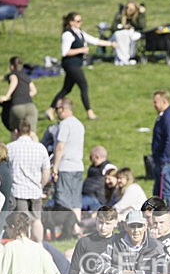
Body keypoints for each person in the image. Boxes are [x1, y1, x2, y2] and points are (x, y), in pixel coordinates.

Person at [45, 12, 115, 121]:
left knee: (66, 89)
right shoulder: (67, 34)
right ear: (71, 22)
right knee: (84, 86)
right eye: (77, 21)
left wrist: (111, 44)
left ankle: (50, 110)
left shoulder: (79, 32)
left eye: (81, 21)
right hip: (70, 64)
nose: (80, 23)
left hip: (76, 64)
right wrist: (81, 50)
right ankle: (89, 112)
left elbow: (94, 40)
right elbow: (65, 52)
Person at [7, 119, 51, 242]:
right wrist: (40, 185)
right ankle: (39, 245)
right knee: (36, 219)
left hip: (18, 191)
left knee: (22, 221)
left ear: (17, 131)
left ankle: (24, 245)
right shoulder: (40, 148)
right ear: (30, 131)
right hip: (35, 190)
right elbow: (46, 171)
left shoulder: (10, 148)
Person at [50, 97, 85, 235]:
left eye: (57, 109)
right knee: (76, 200)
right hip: (78, 166)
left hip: (66, 166)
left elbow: (60, 146)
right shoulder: (79, 124)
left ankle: (65, 231)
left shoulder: (65, 124)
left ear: (63, 109)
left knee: (63, 200)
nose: (56, 111)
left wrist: (55, 166)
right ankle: (76, 230)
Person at [105, 210, 166, 274]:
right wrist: (117, 273)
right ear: (126, 226)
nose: (136, 230)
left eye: (139, 226)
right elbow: (99, 265)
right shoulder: (113, 243)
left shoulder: (158, 247)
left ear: (146, 226)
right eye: (132, 226)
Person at [151, 90, 170, 205]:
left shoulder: (168, 118)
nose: (154, 105)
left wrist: (165, 158)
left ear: (164, 101)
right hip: (163, 161)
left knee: (167, 193)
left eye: (155, 102)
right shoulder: (163, 117)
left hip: (168, 162)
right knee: (158, 192)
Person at [0, 56, 38, 137]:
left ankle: (13, 148)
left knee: (15, 132)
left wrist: (7, 96)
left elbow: (14, 80)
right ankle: (37, 148)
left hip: (17, 106)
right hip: (31, 107)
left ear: (12, 66)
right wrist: (25, 95)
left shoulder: (13, 74)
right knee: (32, 133)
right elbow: (34, 90)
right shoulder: (26, 76)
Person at [83, 145, 115, 212]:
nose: (90, 159)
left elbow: (115, 177)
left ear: (97, 157)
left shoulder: (108, 167)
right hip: (86, 196)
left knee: (74, 204)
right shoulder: (93, 167)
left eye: (91, 157)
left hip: (96, 199)